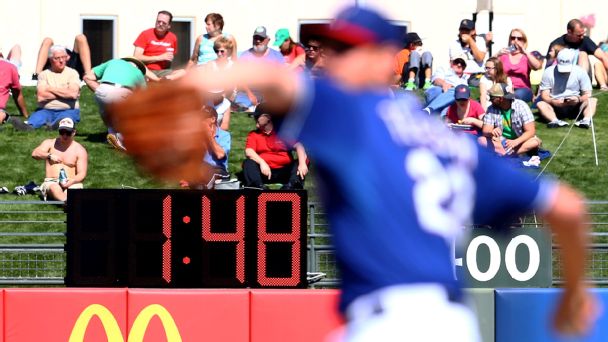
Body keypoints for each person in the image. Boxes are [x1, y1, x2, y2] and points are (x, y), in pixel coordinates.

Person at [110, 6, 597, 341]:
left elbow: (274, 77)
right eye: (328, 46)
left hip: (387, 323)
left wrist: (186, 82)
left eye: (348, 48)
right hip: (453, 325)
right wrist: (574, 296)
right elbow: (568, 208)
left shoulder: (350, 111)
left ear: (389, 59)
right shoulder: (451, 143)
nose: (330, 55)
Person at [83, 57, 148, 152]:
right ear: (137, 66)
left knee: (107, 115)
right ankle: (122, 141)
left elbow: (88, 77)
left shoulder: (113, 62)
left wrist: (99, 89)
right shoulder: (138, 72)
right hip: (123, 92)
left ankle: (112, 135)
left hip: (103, 90)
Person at [242, 103, 307, 190]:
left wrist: (302, 164)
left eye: (258, 117)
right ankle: (257, 186)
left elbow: (299, 146)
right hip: (263, 170)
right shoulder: (253, 134)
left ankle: (293, 185)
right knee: (248, 163)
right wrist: (262, 162)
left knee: (303, 159)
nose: (255, 118)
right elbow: (249, 151)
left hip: (284, 170)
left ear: (268, 118)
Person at [20, 45, 81, 130]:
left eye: (64, 57)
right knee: (37, 118)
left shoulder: (73, 73)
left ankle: (56, 125)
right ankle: (28, 126)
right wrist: (65, 93)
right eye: (57, 58)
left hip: (68, 110)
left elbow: (73, 94)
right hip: (46, 110)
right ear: (51, 59)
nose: (61, 60)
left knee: (65, 119)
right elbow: (41, 96)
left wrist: (49, 89)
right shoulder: (43, 75)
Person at [31, 118, 87, 202]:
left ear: (74, 132)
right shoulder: (49, 143)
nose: (64, 136)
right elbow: (35, 153)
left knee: (72, 190)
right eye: (61, 132)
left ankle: (66, 201)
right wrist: (49, 155)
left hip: (71, 181)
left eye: (68, 133)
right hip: (52, 181)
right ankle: (66, 202)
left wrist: (72, 181)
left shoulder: (80, 150)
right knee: (54, 188)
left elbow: (82, 173)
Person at [537, 48, 596, 129]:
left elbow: (588, 94)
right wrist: (553, 102)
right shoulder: (548, 72)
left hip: (576, 105)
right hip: (555, 105)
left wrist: (578, 100)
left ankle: (586, 120)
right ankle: (554, 120)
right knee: (540, 104)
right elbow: (544, 95)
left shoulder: (580, 71)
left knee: (592, 100)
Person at [478, 84, 541, 156]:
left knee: (534, 142)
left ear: (500, 99)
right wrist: (492, 132)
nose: (490, 100)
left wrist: (516, 142)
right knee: (481, 140)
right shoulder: (491, 109)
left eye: (492, 98)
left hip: (519, 140)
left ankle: (504, 153)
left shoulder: (521, 106)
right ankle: (511, 153)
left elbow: (531, 131)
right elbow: (485, 131)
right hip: (501, 141)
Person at [546, 19, 608, 90]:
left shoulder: (585, 41)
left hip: (583, 76)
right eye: (579, 35)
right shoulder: (556, 44)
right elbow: (548, 66)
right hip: (562, 78)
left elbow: (603, 57)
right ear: (569, 32)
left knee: (583, 53)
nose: (582, 37)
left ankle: (582, 86)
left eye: (583, 34)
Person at [233, 26, 284, 110]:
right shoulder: (245, 55)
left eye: (261, 38)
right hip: (248, 91)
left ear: (267, 40)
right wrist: (250, 94)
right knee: (241, 108)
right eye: (255, 38)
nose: (258, 41)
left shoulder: (277, 56)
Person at [497, 29, 543, 102]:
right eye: (513, 38)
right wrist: (497, 54)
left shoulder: (526, 56)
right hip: (506, 87)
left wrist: (525, 51)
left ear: (524, 41)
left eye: (519, 38)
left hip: (523, 89)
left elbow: (537, 67)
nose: (515, 40)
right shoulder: (504, 55)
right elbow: (489, 67)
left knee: (516, 96)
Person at [133, 10, 177, 78]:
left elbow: (169, 60)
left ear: (169, 26)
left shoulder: (172, 37)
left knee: (183, 72)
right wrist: (159, 58)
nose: (160, 24)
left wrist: (167, 60)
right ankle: (158, 80)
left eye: (164, 23)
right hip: (146, 70)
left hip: (163, 71)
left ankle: (164, 79)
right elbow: (136, 57)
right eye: (158, 21)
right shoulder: (145, 34)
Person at [449, 19, 487, 85]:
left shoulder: (480, 40)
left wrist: (470, 41)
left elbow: (480, 58)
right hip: (461, 75)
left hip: (478, 75)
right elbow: (455, 63)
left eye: (466, 30)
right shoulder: (454, 44)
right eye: (462, 30)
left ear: (473, 31)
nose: (463, 32)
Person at [0, 57, 29, 124]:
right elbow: (17, 94)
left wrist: (25, 115)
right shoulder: (10, 67)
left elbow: (17, 93)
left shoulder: (9, 68)